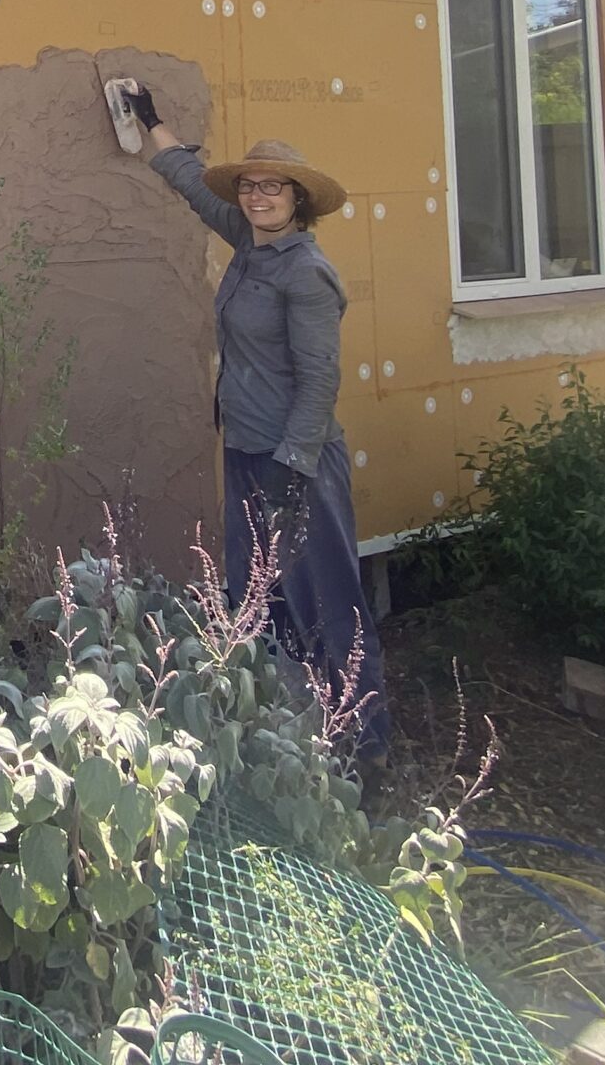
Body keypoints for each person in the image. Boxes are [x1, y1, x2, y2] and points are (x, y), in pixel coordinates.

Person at [113, 79, 390, 767]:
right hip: (246, 450)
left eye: (273, 187)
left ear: (298, 201)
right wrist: (151, 119)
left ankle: (365, 745)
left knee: (326, 598)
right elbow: (191, 183)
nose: (258, 196)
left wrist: (292, 474)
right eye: (250, 186)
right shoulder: (249, 239)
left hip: (296, 463)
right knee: (256, 595)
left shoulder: (306, 273)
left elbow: (320, 380)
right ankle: (289, 740)